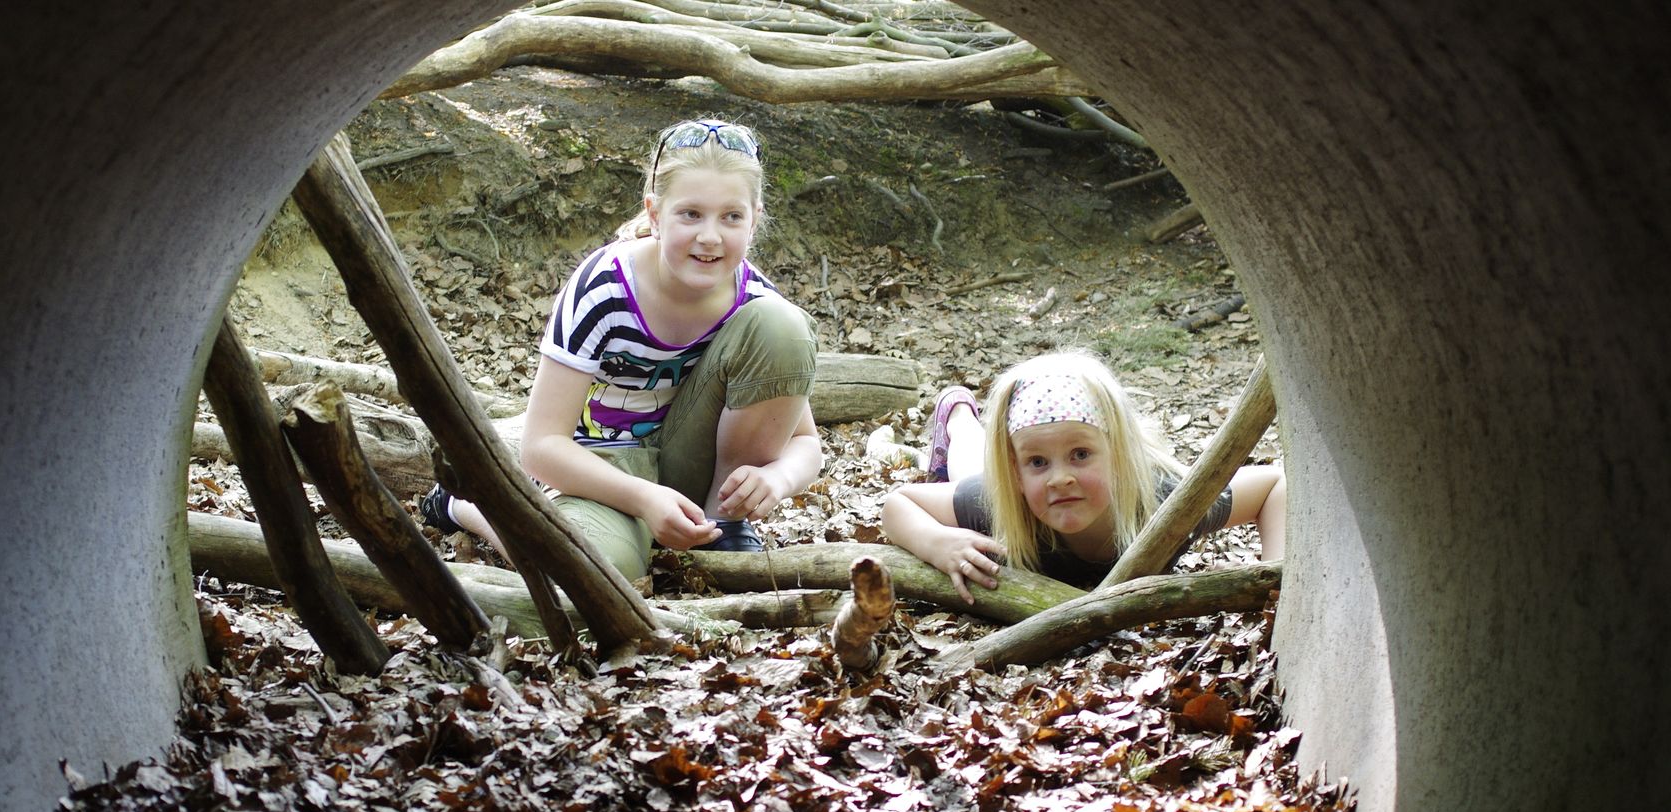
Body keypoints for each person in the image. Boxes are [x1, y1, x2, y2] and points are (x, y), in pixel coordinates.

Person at [422, 118, 823, 580]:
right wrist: (644, 498)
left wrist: (776, 478)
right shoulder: (605, 288)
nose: (710, 236)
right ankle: (465, 505)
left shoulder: (755, 300)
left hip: (688, 460)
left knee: (786, 326)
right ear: (654, 213)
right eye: (691, 214)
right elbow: (541, 446)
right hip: (599, 467)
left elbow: (805, 443)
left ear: (754, 220)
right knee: (591, 576)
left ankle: (722, 525)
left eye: (731, 216)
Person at [881, 350, 1285, 603]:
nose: (1059, 479)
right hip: (994, 486)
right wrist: (936, 542)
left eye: (1080, 455)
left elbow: (1273, 485)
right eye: (1038, 462)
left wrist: (1276, 584)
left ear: (1118, 457)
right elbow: (899, 503)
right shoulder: (997, 503)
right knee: (972, 467)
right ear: (1016, 474)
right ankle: (957, 414)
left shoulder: (1168, 503)